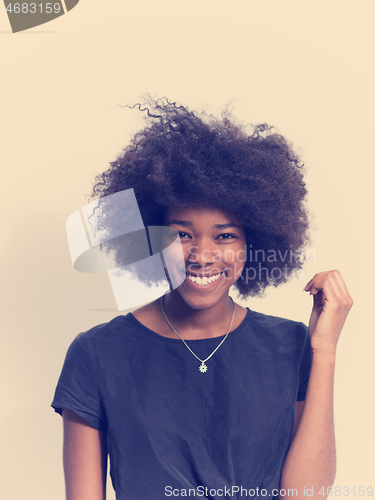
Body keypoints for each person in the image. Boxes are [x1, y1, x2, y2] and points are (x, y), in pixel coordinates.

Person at [51, 99, 353, 500]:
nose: (202, 254)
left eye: (225, 235)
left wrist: (324, 350)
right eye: (182, 233)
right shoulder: (97, 353)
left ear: (253, 242)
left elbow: (304, 495)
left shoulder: (290, 345)